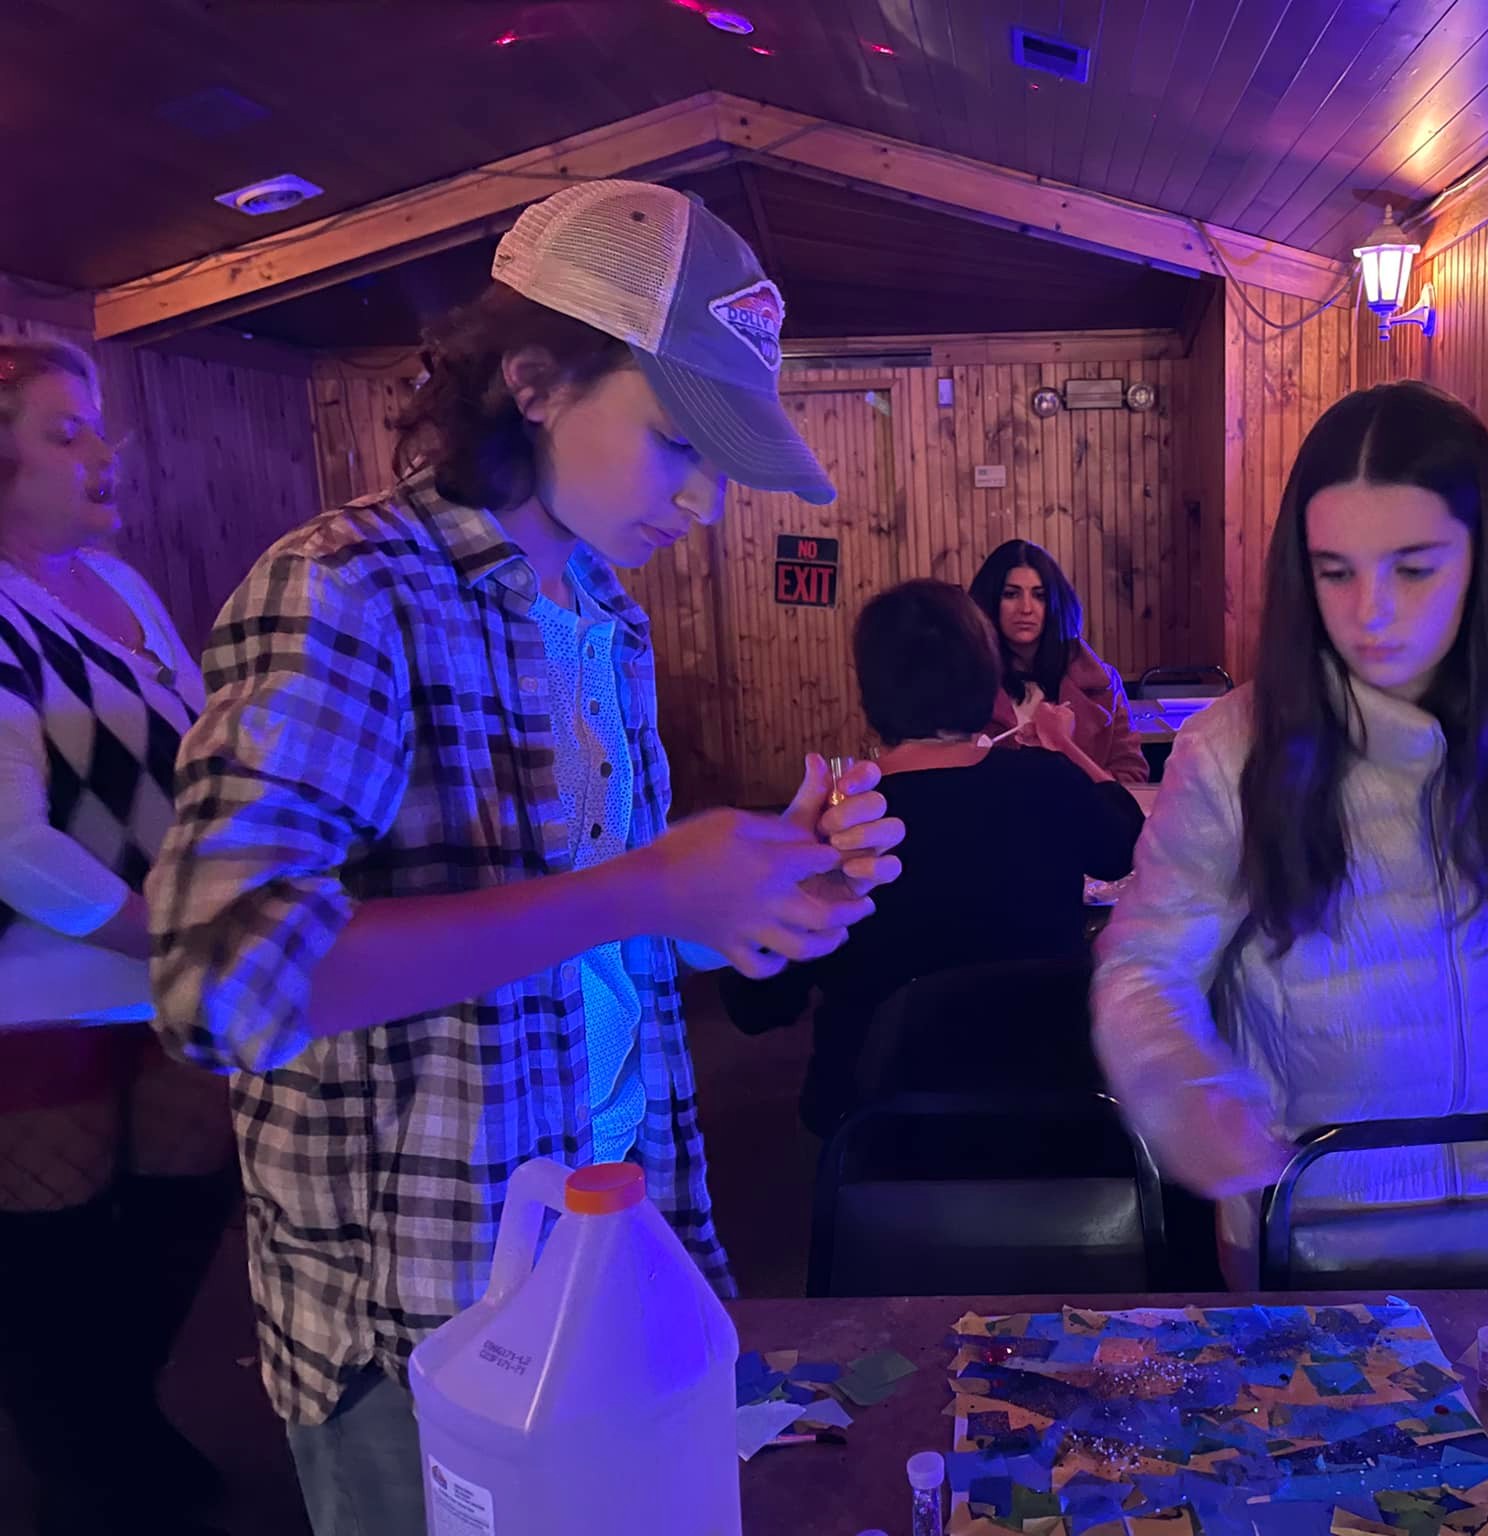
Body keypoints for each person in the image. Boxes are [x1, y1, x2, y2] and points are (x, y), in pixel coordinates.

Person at [146, 182, 905, 1536]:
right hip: (426, 1316)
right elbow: (219, 978)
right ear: (535, 381)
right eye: (677, 442)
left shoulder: (604, 612)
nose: (706, 501)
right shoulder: (349, 587)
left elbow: (591, 945)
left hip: (622, 1245)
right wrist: (647, 885)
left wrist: (747, 897)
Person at [1091, 382, 1488, 1287]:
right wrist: (1187, 1090)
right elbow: (1142, 963)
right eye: (1336, 572)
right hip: (1315, 1231)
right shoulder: (1230, 752)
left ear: (1481, 561)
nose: (1370, 611)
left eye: (1412, 569)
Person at [0, 340, 236, 1536]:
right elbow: (11, 845)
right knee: (57, 1258)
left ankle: (109, 1430)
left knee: (178, 1211)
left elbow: (200, 748)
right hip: (38, 993)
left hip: (159, 970)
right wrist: (167, 930)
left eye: (97, 427)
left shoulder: (119, 585)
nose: (104, 453)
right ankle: (87, 1470)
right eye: (65, 432)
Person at [723, 579, 1141, 1135]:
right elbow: (1126, 843)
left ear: (871, 691)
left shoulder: (837, 823)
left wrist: (765, 883)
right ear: (986, 675)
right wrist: (1063, 744)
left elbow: (757, 1007)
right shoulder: (1050, 783)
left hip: (877, 1139)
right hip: (1052, 1123)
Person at [968, 540, 1148, 785]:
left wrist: (1061, 744)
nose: (1026, 608)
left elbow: (1132, 783)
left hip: (1083, 810)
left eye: (1039, 596)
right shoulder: (965, 683)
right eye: (1011, 594)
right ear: (989, 601)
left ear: (1056, 603)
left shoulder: (1103, 683)